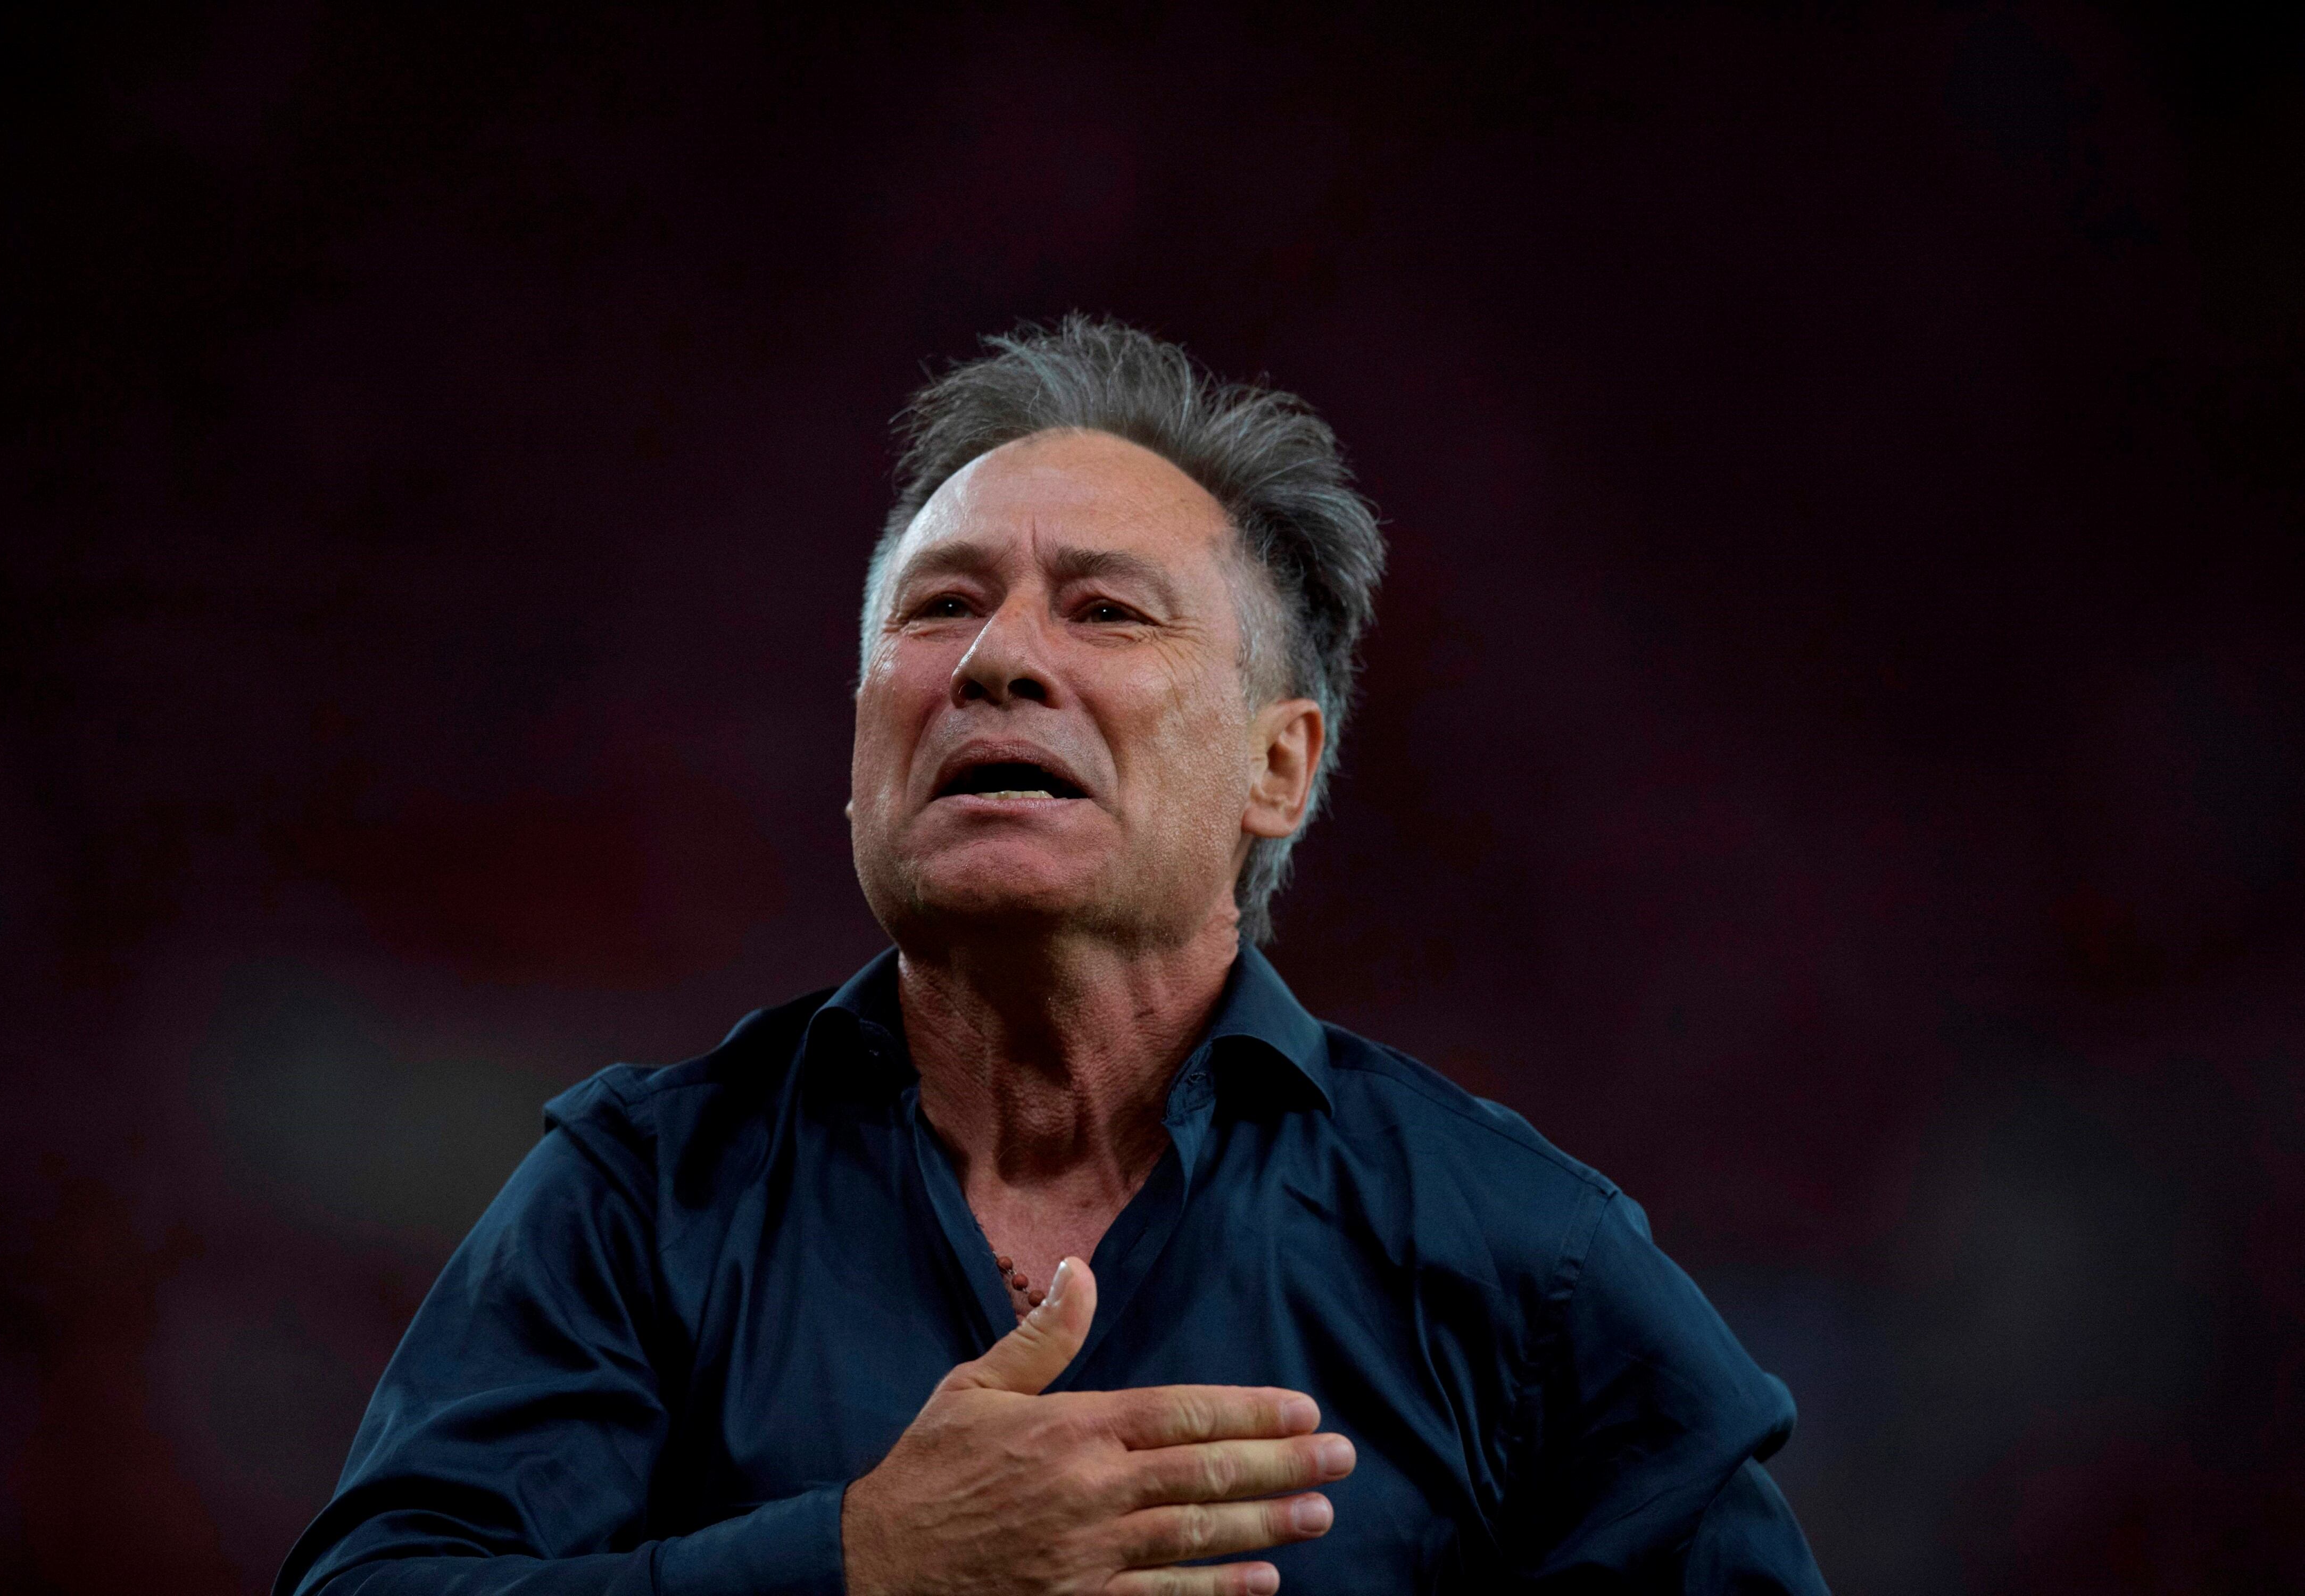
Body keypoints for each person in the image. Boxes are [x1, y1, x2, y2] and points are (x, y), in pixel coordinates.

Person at [275, 316, 1829, 1594]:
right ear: (863, 753)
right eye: (940, 607)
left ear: (1275, 771)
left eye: (1105, 612)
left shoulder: (1519, 1259)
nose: (997, 658)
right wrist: (858, 1565)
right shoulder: (637, 1198)